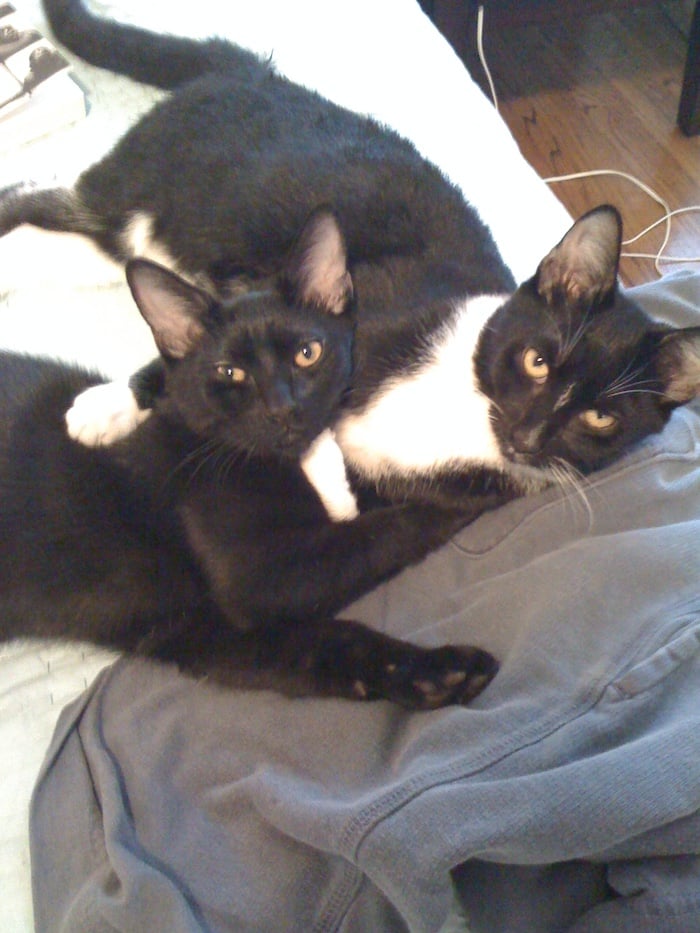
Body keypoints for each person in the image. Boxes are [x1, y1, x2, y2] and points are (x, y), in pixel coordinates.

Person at [30, 271, 700, 932]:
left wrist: (384, 667)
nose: (284, 405)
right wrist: (429, 522)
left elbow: (223, 632)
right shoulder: (215, 453)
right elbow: (260, 594)